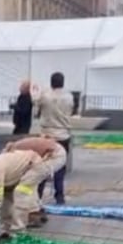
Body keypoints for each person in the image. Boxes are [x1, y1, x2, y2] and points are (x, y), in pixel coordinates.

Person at [3, 135, 68, 227]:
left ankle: (24, 218)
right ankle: (37, 211)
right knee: (31, 183)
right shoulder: (19, 147)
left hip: (55, 156)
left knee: (23, 187)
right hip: (54, 153)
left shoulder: (19, 150)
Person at [33, 71, 73, 205]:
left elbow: (36, 109)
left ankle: (38, 195)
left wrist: (36, 92)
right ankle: (59, 196)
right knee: (60, 167)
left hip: (47, 135)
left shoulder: (45, 96)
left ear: (51, 83)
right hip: (63, 134)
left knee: (43, 165)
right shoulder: (69, 97)